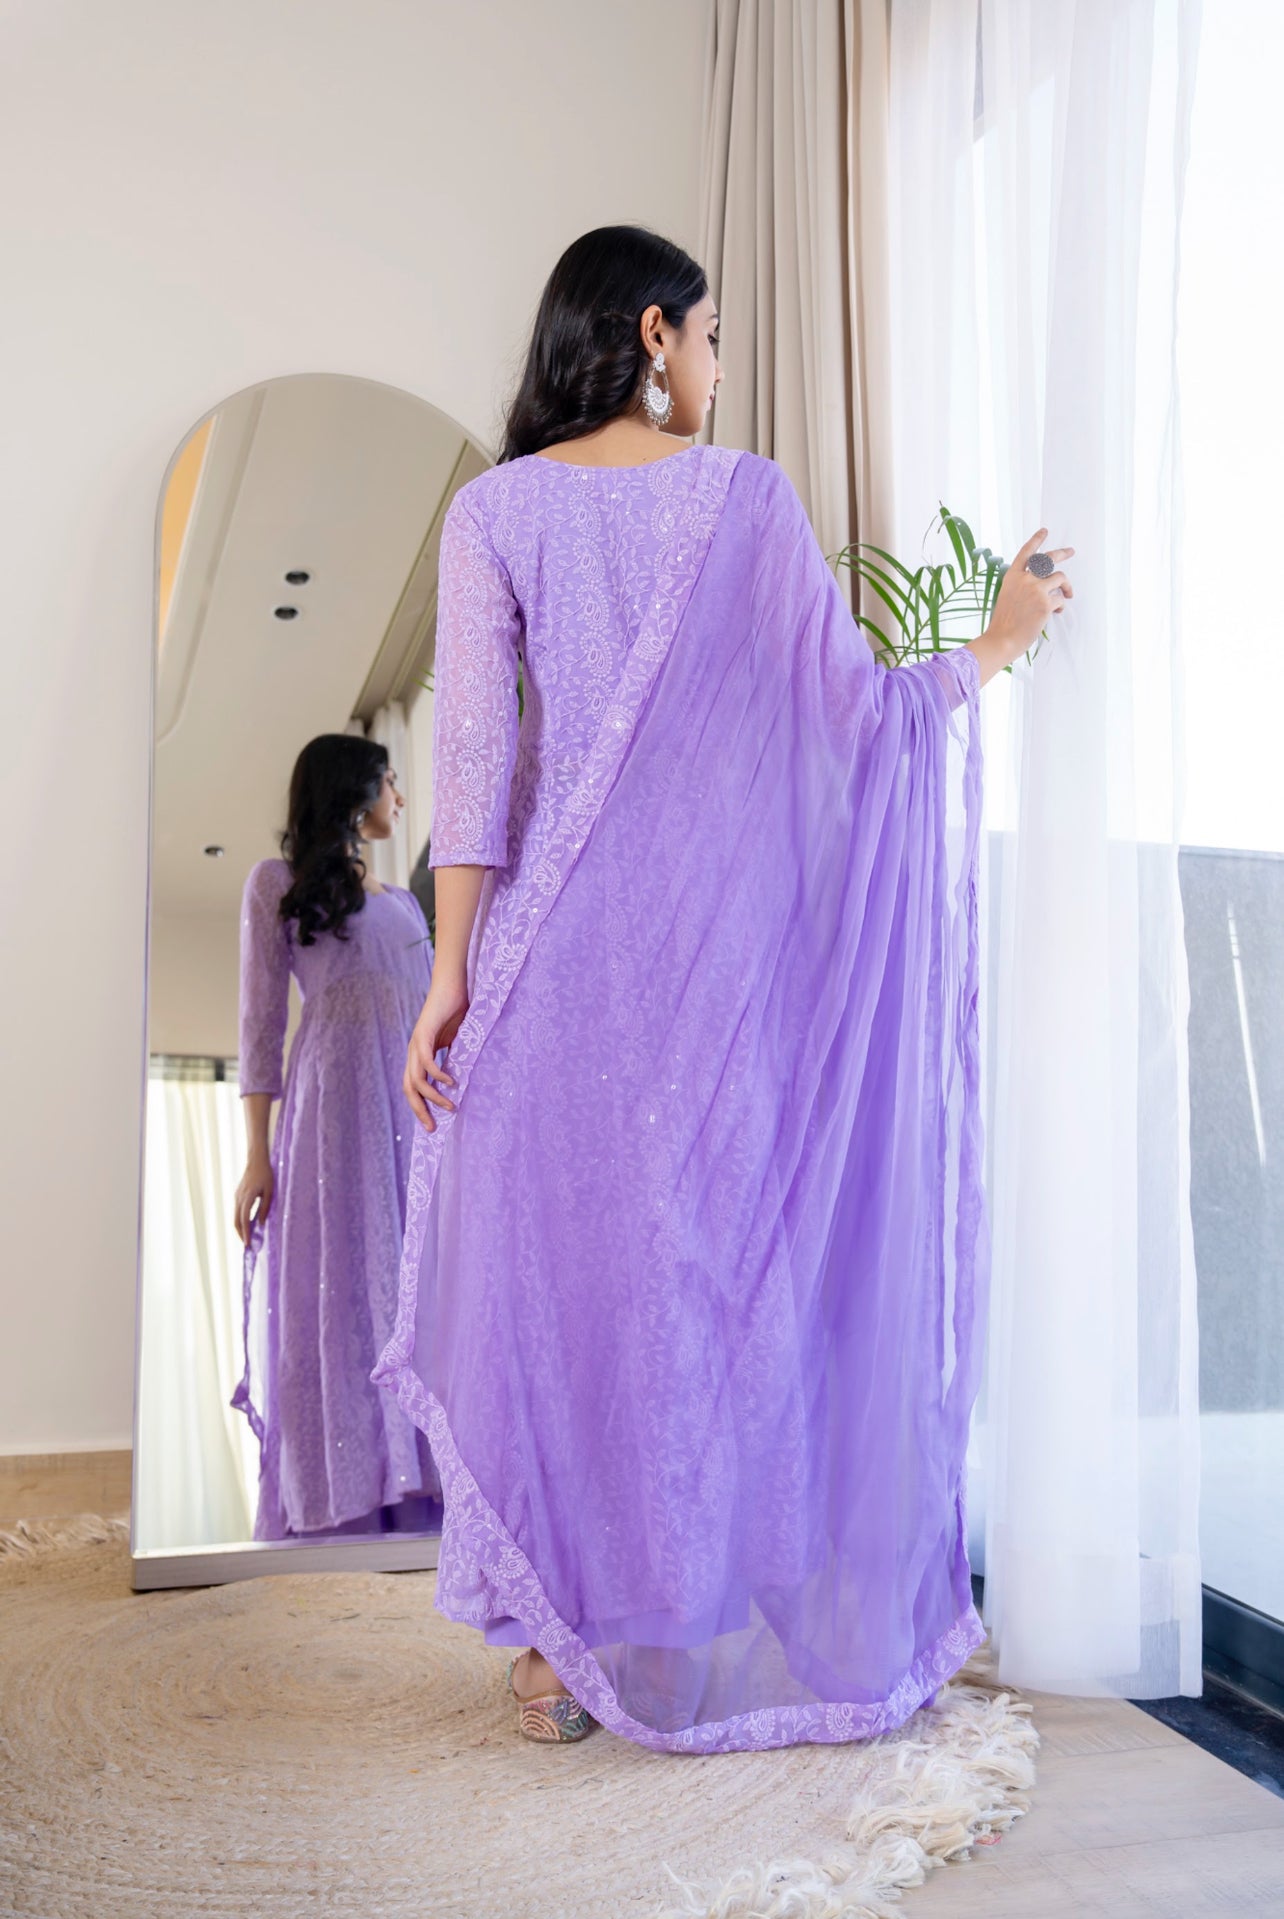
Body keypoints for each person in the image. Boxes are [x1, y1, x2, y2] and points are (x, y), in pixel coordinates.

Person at [373, 225, 1074, 1749]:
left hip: (546, 969)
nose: (716, 365)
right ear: (652, 333)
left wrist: (451, 978)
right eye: (709, 338)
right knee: (695, 1286)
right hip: (708, 985)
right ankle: (672, 1625)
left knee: (562, 1298)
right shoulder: (744, 498)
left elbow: (474, 768)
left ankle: (557, 1655)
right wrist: (998, 642)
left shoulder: (494, 510)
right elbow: (860, 723)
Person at [233, 735, 439, 1539]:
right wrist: (257, 1154)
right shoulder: (276, 886)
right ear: (355, 792)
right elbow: (260, 1027)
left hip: (409, 1120)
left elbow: (433, 1025)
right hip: (329, 1117)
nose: (399, 795)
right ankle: (339, 1497)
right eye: (390, 780)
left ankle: (422, 1488)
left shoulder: (407, 907)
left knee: (413, 1286)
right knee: (336, 1284)